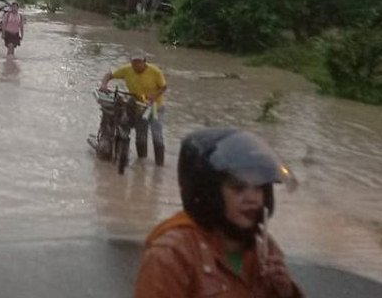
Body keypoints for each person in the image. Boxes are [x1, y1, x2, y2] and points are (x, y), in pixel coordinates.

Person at [134, 129, 303, 298]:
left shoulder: (265, 250)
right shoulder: (172, 255)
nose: (253, 199)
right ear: (210, 193)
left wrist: (286, 292)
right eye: (238, 188)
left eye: (259, 187)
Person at [99, 56, 167, 166]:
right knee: (141, 135)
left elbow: (164, 87)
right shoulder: (127, 69)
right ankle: (142, 163)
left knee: (157, 134)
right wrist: (103, 84)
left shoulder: (155, 71)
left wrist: (154, 96)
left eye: (138, 63)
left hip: (154, 107)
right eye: (133, 63)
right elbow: (109, 75)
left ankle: (159, 166)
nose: (136, 66)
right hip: (139, 107)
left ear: (144, 62)